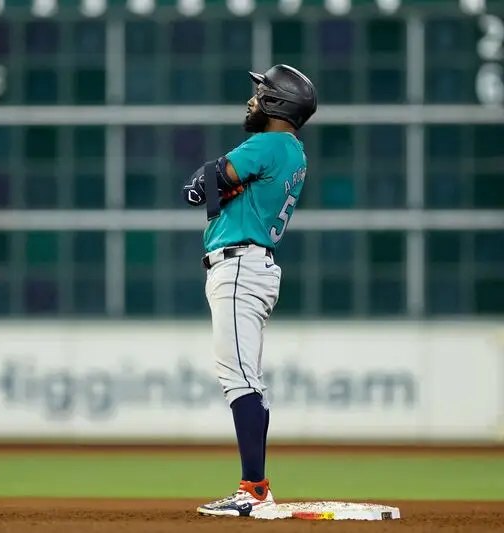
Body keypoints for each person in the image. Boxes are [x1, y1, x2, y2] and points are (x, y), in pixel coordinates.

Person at [181, 64, 318, 517]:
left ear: (278, 103)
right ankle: (254, 487)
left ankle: (254, 490)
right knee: (243, 378)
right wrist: (216, 182)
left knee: (241, 380)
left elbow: (204, 185)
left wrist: (211, 181)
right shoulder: (292, 151)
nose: (254, 98)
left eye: (262, 92)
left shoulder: (268, 143)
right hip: (250, 265)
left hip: (239, 266)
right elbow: (215, 183)